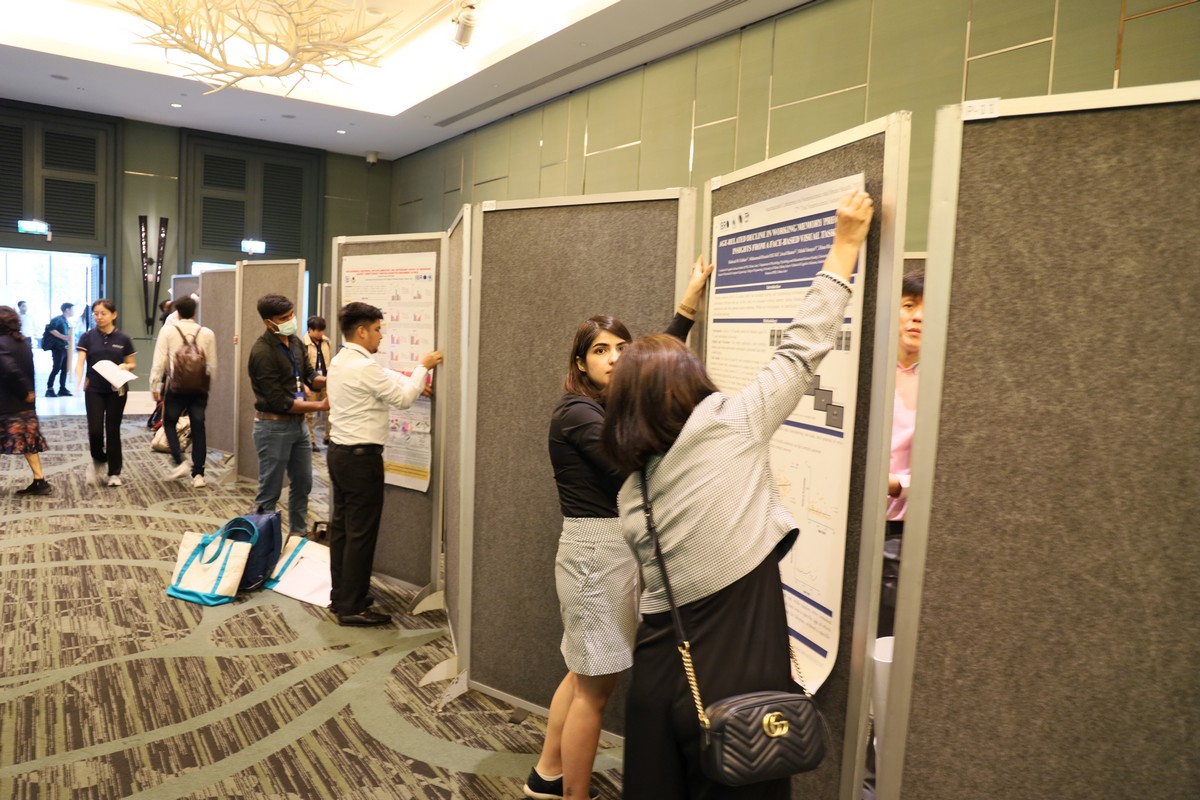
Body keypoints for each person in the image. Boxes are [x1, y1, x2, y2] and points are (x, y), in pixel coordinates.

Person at [600, 191, 873, 799]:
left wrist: (683, 311)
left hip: (659, 676)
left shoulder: (632, 492)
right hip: (735, 680)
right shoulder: (729, 425)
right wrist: (845, 245)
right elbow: (801, 349)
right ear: (688, 383)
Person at [523, 258, 713, 800]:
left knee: (583, 675)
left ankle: (547, 774)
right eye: (600, 351)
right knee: (595, 692)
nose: (613, 359)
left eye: (621, 350)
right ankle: (574, 795)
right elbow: (631, 460)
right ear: (580, 363)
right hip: (595, 555)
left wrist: (686, 307)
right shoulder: (577, 414)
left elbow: (655, 369)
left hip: (611, 552)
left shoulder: (605, 405)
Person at [324, 302, 443, 626]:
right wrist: (422, 367)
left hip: (340, 455)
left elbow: (384, 376)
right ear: (362, 331)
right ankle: (353, 608)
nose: (381, 336)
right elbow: (403, 399)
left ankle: (341, 596)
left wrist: (411, 377)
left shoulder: (342, 360)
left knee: (343, 530)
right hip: (361, 461)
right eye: (377, 330)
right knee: (361, 534)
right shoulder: (363, 367)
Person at [248, 294, 328, 537]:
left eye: (292, 315)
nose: (291, 320)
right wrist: (320, 406)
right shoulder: (262, 352)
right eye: (284, 318)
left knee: (303, 483)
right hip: (272, 428)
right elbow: (279, 403)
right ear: (268, 322)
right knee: (269, 493)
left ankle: (298, 535)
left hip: (298, 426)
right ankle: (261, 545)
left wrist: (335, 378)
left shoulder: (294, 342)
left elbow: (310, 376)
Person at [880, 268, 922, 638]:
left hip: (902, 529)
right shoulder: (870, 372)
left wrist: (897, 485)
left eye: (927, 308)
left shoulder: (944, 382)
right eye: (909, 305)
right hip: (851, 522)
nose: (917, 317)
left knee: (887, 626)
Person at [149, 295, 217, 488]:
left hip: (176, 386)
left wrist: (154, 385)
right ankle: (199, 474)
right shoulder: (207, 333)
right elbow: (212, 365)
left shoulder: (168, 331)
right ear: (194, 311)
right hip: (199, 389)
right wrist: (205, 384)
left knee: (169, 422)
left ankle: (179, 460)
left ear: (177, 312)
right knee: (198, 428)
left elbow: (159, 361)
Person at [75, 299, 137, 488]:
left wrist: (125, 366)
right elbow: (80, 362)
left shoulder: (123, 339)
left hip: (116, 389)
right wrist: (78, 378)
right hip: (94, 389)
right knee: (94, 430)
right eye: (96, 313)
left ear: (113, 315)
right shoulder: (87, 337)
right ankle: (99, 458)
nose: (99, 317)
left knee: (112, 430)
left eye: (103, 313)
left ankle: (114, 472)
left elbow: (132, 363)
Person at [0, 305, 51, 496]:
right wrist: (28, 392)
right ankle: (39, 480)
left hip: (8, 402)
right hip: (24, 404)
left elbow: (10, 370)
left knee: (22, 440)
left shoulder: (1, 343)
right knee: (28, 442)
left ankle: (40, 482)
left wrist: (24, 391)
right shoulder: (22, 342)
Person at [303, 316, 333, 452]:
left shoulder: (326, 342)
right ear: (310, 330)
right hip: (310, 383)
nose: (321, 333)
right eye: (318, 331)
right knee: (308, 414)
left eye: (322, 330)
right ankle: (311, 441)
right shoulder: (303, 344)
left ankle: (328, 436)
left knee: (330, 410)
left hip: (326, 381)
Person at [45, 302, 74, 397]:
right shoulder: (58, 319)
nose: (73, 311)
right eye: (72, 309)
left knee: (65, 368)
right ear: (67, 310)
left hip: (65, 348)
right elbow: (50, 329)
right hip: (58, 348)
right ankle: (49, 389)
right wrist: (63, 337)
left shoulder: (66, 321)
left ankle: (62, 388)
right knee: (56, 368)